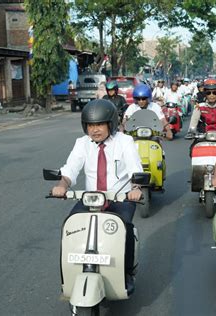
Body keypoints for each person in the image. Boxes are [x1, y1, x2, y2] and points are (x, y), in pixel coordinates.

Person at [51, 99, 143, 291]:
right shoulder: (82, 143)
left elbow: (135, 169)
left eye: (100, 124)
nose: (95, 129)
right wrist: (61, 185)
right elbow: (70, 169)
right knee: (69, 226)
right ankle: (67, 279)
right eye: (91, 125)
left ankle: (126, 274)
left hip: (121, 198)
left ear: (111, 123)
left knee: (124, 228)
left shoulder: (124, 141)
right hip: (91, 198)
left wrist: (136, 188)